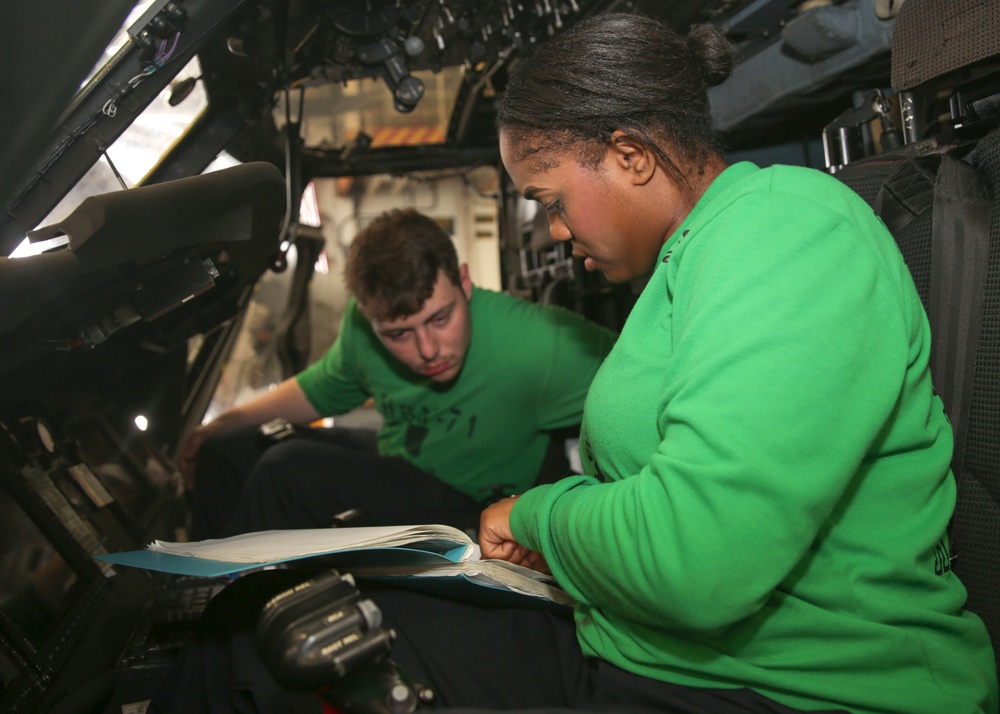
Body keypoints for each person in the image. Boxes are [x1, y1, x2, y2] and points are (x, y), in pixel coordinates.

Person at [152, 12, 998, 714]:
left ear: (631, 154)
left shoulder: (788, 232)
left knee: (263, 660)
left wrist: (535, 517)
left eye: (551, 199)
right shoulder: (688, 261)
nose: (554, 229)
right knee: (291, 612)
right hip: (646, 648)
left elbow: (699, 560)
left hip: (787, 689)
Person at [181, 207, 616, 538]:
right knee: (228, 450)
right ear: (370, 321)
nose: (428, 350)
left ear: (463, 282)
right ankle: (196, 600)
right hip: (399, 463)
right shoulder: (361, 329)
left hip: (470, 506)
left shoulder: (539, 344)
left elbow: (654, 378)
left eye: (440, 319)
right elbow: (318, 391)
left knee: (285, 471)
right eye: (399, 334)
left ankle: (237, 620)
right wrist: (222, 422)